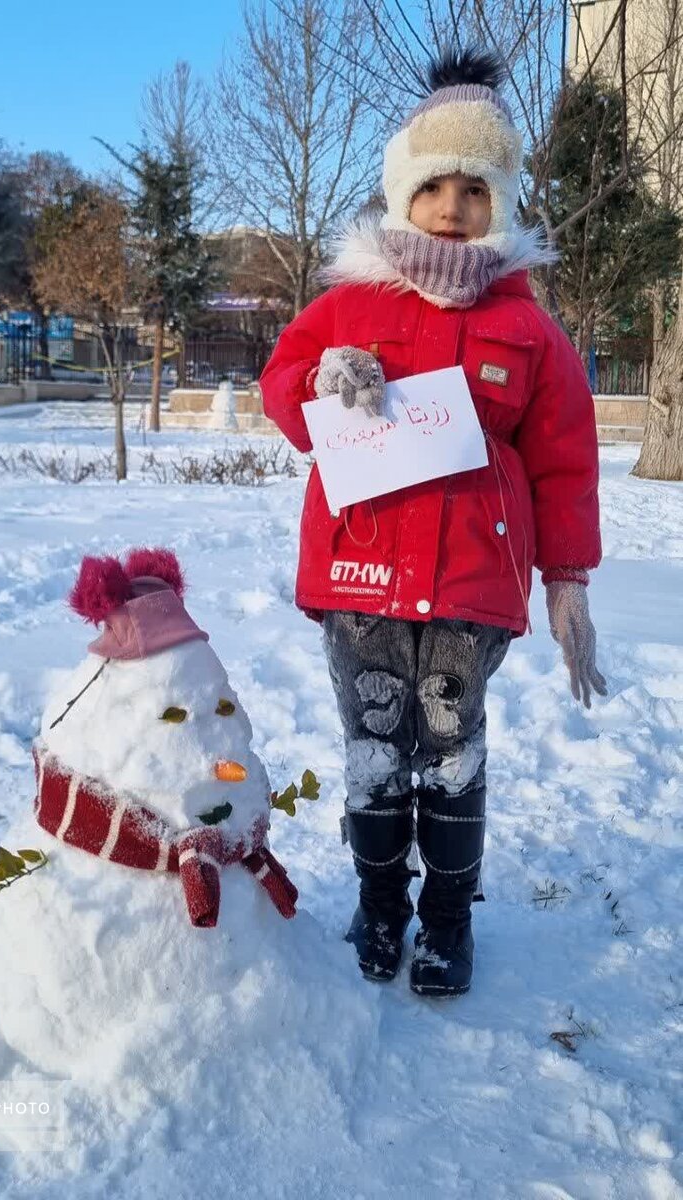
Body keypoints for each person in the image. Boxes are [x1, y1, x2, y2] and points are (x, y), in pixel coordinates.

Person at [259, 47, 607, 997]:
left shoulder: (528, 329)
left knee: (450, 750)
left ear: (503, 201)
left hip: (470, 586)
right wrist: (321, 380)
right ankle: (380, 907)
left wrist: (567, 582)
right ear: (402, 193)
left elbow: (564, 460)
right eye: (434, 186)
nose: (453, 206)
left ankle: (449, 920)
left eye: (475, 188)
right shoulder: (348, 305)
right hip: (362, 575)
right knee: (376, 741)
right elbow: (282, 386)